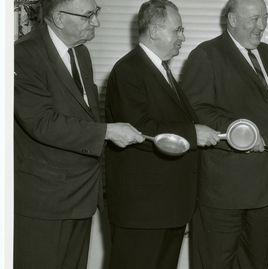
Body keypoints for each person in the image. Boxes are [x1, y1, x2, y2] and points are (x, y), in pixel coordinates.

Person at [13, 0, 145, 268]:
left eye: (96, 13)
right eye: (88, 16)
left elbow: (81, 113)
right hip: (44, 201)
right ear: (59, 19)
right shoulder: (23, 55)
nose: (96, 22)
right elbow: (41, 122)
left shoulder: (81, 53)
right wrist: (107, 132)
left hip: (80, 195)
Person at [104, 1, 220, 268]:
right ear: (154, 31)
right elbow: (137, 127)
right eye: (177, 30)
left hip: (165, 207)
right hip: (143, 211)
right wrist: (193, 133)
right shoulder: (129, 70)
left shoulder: (160, 69)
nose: (183, 37)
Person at [180, 0, 268, 268]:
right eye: (254, 19)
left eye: (265, 18)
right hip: (225, 190)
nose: (262, 26)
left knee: (258, 263)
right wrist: (242, 133)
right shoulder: (206, 54)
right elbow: (195, 111)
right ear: (232, 20)